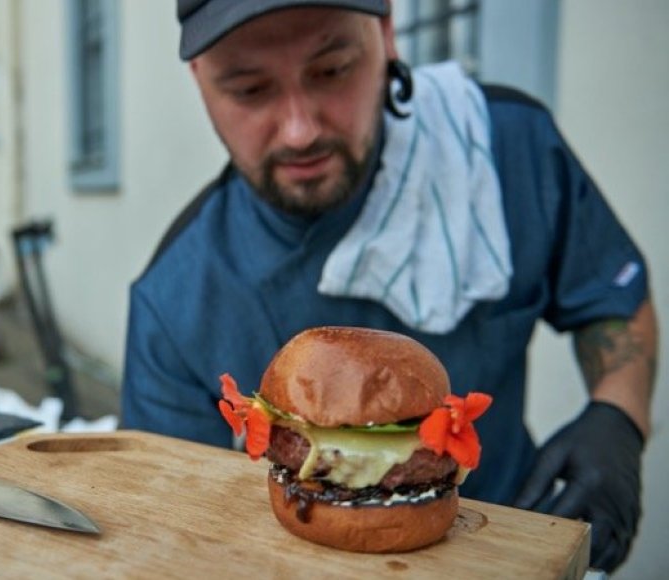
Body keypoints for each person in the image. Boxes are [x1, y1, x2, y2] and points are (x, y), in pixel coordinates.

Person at [121, 1, 657, 573]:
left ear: (386, 35)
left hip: (507, 544)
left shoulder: (507, 150)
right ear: (201, 81)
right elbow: (172, 515)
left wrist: (619, 417)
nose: (300, 129)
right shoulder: (172, 297)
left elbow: (611, 299)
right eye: (250, 89)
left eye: (331, 71)